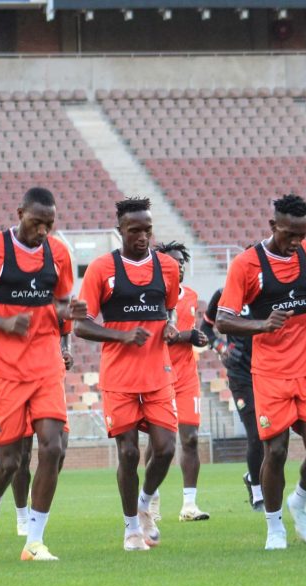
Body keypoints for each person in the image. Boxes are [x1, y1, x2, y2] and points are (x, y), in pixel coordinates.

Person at [0, 187, 84, 562]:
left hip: (46, 362)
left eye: (49, 224)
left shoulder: (59, 253)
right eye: (36, 222)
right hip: (5, 368)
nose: (43, 231)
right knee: (10, 462)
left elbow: (60, 302)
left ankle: (34, 540)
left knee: (53, 446)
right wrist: (1, 322)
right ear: (19, 214)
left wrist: (67, 312)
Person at [217, 194, 306, 551]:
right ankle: (274, 527)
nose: (296, 242)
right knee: (277, 451)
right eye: (289, 235)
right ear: (272, 226)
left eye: (302, 234)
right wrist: (263, 325)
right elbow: (224, 320)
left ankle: (299, 501)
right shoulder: (246, 265)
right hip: (270, 371)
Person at [74, 196, 181, 551]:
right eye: (134, 230)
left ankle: (145, 502)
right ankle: (130, 528)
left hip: (158, 373)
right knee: (129, 454)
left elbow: (171, 310)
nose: (142, 236)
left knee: (165, 448)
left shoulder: (167, 268)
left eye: (147, 230)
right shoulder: (101, 269)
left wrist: (169, 327)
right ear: (119, 231)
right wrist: (121, 335)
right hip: (119, 377)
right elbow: (82, 326)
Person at [0, 323, 72, 537]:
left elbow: (65, 332)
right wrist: (14, 357)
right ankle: (22, 515)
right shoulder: (10, 297)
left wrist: (65, 350)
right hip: (17, 382)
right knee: (18, 458)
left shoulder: (54, 295)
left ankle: (36, 517)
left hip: (50, 379)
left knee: (58, 449)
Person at [144, 241, 210, 522]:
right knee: (159, 444)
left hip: (186, 377)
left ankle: (189, 505)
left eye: (182, 260)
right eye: (172, 261)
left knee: (191, 439)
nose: (179, 265)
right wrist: (189, 336)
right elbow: (158, 335)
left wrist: (196, 337)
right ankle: (150, 499)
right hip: (158, 375)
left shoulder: (192, 295)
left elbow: (185, 333)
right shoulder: (150, 297)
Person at [201, 289, 263, 511]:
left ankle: (252, 476)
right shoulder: (223, 294)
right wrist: (221, 347)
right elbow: (205, 328)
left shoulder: (269, 292)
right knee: (256, 434)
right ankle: (257, 491)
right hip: (240, 376)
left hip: (269, 371)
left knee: (271, 434)